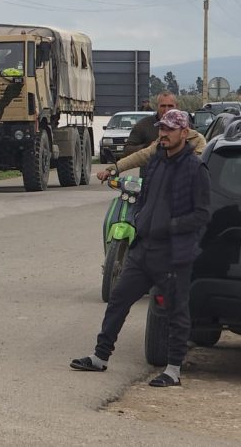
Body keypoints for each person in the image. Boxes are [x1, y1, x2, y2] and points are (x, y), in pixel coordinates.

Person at [71, 109, 211, 387]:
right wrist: (142, 220)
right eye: (161, 128)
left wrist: (170, 226)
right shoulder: (157, 160)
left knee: (175, 311)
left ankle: (173, 370)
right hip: (144, 248)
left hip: (173, 254)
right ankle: (100, 357)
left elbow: (202, 214)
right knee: (119, 298)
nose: (163, 133)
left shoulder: (195, 169)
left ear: (184, 133)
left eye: (170, 129)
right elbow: (145, 195)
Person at [125, 91, 178, 157]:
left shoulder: (185, 126)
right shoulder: (143, 125)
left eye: (170, 106)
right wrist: (147, 147)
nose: (166, 110)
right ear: (157, 106)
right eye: (163, 106)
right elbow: (127, 150)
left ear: (176, 106)